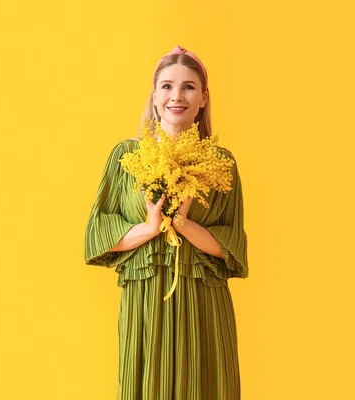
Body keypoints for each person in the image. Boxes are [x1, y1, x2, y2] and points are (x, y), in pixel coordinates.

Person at [84, 45, 248, 400]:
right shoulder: (126, 157)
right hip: (145, 299)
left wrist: (185, 224)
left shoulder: (222, 162)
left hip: (205, 303)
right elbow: (97, 237)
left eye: (189, 87)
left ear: (204, 98)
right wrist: (148, 227)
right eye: (167, 86)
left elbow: (232, 247)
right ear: (155, 97)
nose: (178, 96)